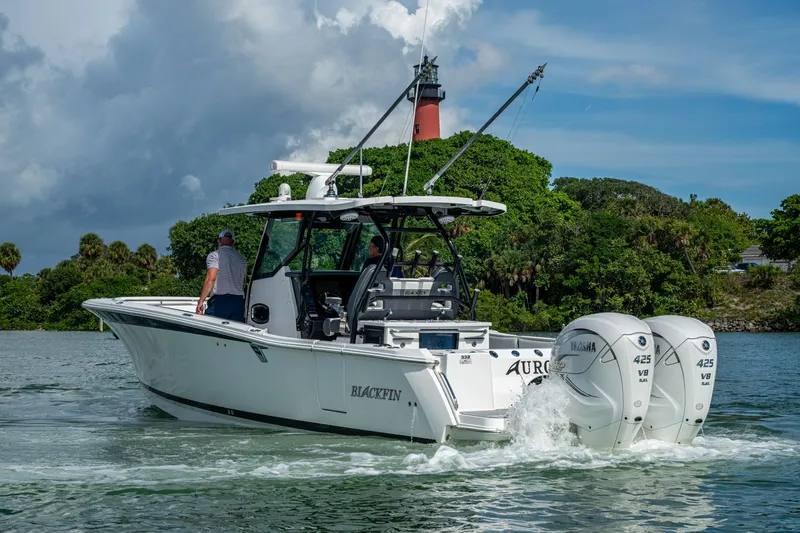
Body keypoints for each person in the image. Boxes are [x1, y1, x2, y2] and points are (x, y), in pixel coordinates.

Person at [196, 230, 248, 321]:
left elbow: (211, 279)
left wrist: (201, 301)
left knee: (212, 331)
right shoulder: (241, 259)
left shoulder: (214, 256)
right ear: (233, 242)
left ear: (219, 240)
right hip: (238, 302)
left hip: (220, 302)